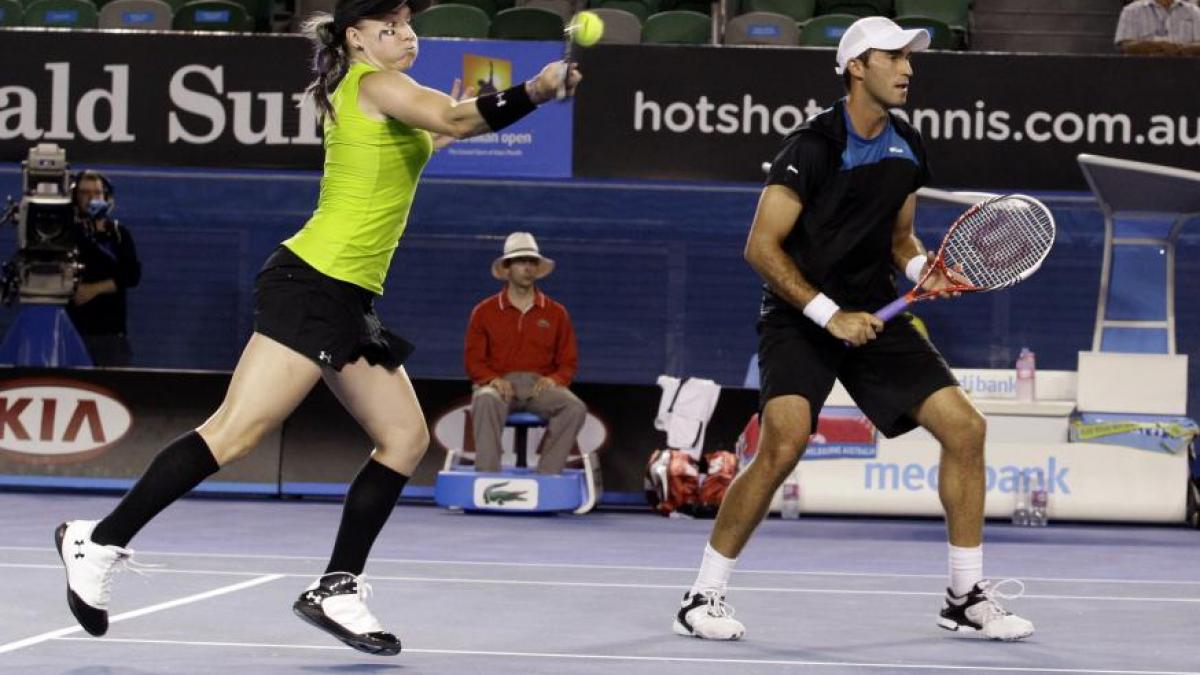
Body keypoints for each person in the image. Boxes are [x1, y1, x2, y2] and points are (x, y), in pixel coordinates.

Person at [54, 0, 581, 657]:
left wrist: (452, 128)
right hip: (311, 282)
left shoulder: (384, 95)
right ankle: (99, 541)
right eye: (387, 27)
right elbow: (451, 115)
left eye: (408, 24)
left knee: (404, 437)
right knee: (236, 432)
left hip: (347, 296)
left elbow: (442, 128)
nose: (405, 35)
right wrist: (534, 88)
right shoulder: (376, 84)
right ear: (356, 38)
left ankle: (337, 585)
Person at [672, 16, 1034, 643]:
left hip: (875, 312)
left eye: (910, 58)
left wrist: (925, 268)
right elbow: (760, 247)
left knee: (966, 429)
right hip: (798, 316)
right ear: (857, 67)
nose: (908, 69)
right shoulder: (811, 147)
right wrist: (826, 314)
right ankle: (702, 594)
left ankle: (964, 596)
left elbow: (899, 239)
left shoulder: (908, 145)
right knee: (783, 443)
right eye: (893, 57)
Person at [464, 232, 585, 474]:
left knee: (574, 407)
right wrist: (492, 380)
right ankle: (487, 477)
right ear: (507, 268)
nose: (527, 268)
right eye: (521, 262)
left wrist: (554, 380)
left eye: (532, 262)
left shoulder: (556, 313)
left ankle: (548, 476)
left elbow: (568, 361)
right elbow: (473, 360)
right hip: (499, 386)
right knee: (485, 398)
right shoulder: (484, 311)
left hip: (539, 387)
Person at [67, 170, 141, 367]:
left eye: (97, 193)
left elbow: (132, 275)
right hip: (73, 332)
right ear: (75, 197)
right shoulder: (67, 233)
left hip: (111, 336)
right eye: (85, 193)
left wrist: (93, 289)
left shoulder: (119, 234)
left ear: (106, 197)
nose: (91, 198)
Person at [1115, 0, 1200, 55]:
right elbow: (1126, 46)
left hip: (1186, 72)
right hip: (1141, 72)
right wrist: (1159, 46)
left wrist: (1180, 49)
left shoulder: (1194, 11)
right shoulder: (1131, 10)